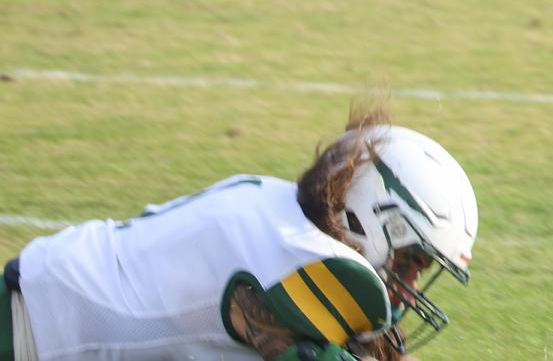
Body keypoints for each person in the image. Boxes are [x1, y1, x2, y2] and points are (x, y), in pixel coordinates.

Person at [2, 110, 475, 360]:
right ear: (366, 219)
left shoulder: (288, 220)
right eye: (410, 261)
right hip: (25, 338)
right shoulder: (300, 258)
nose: (411, 291)